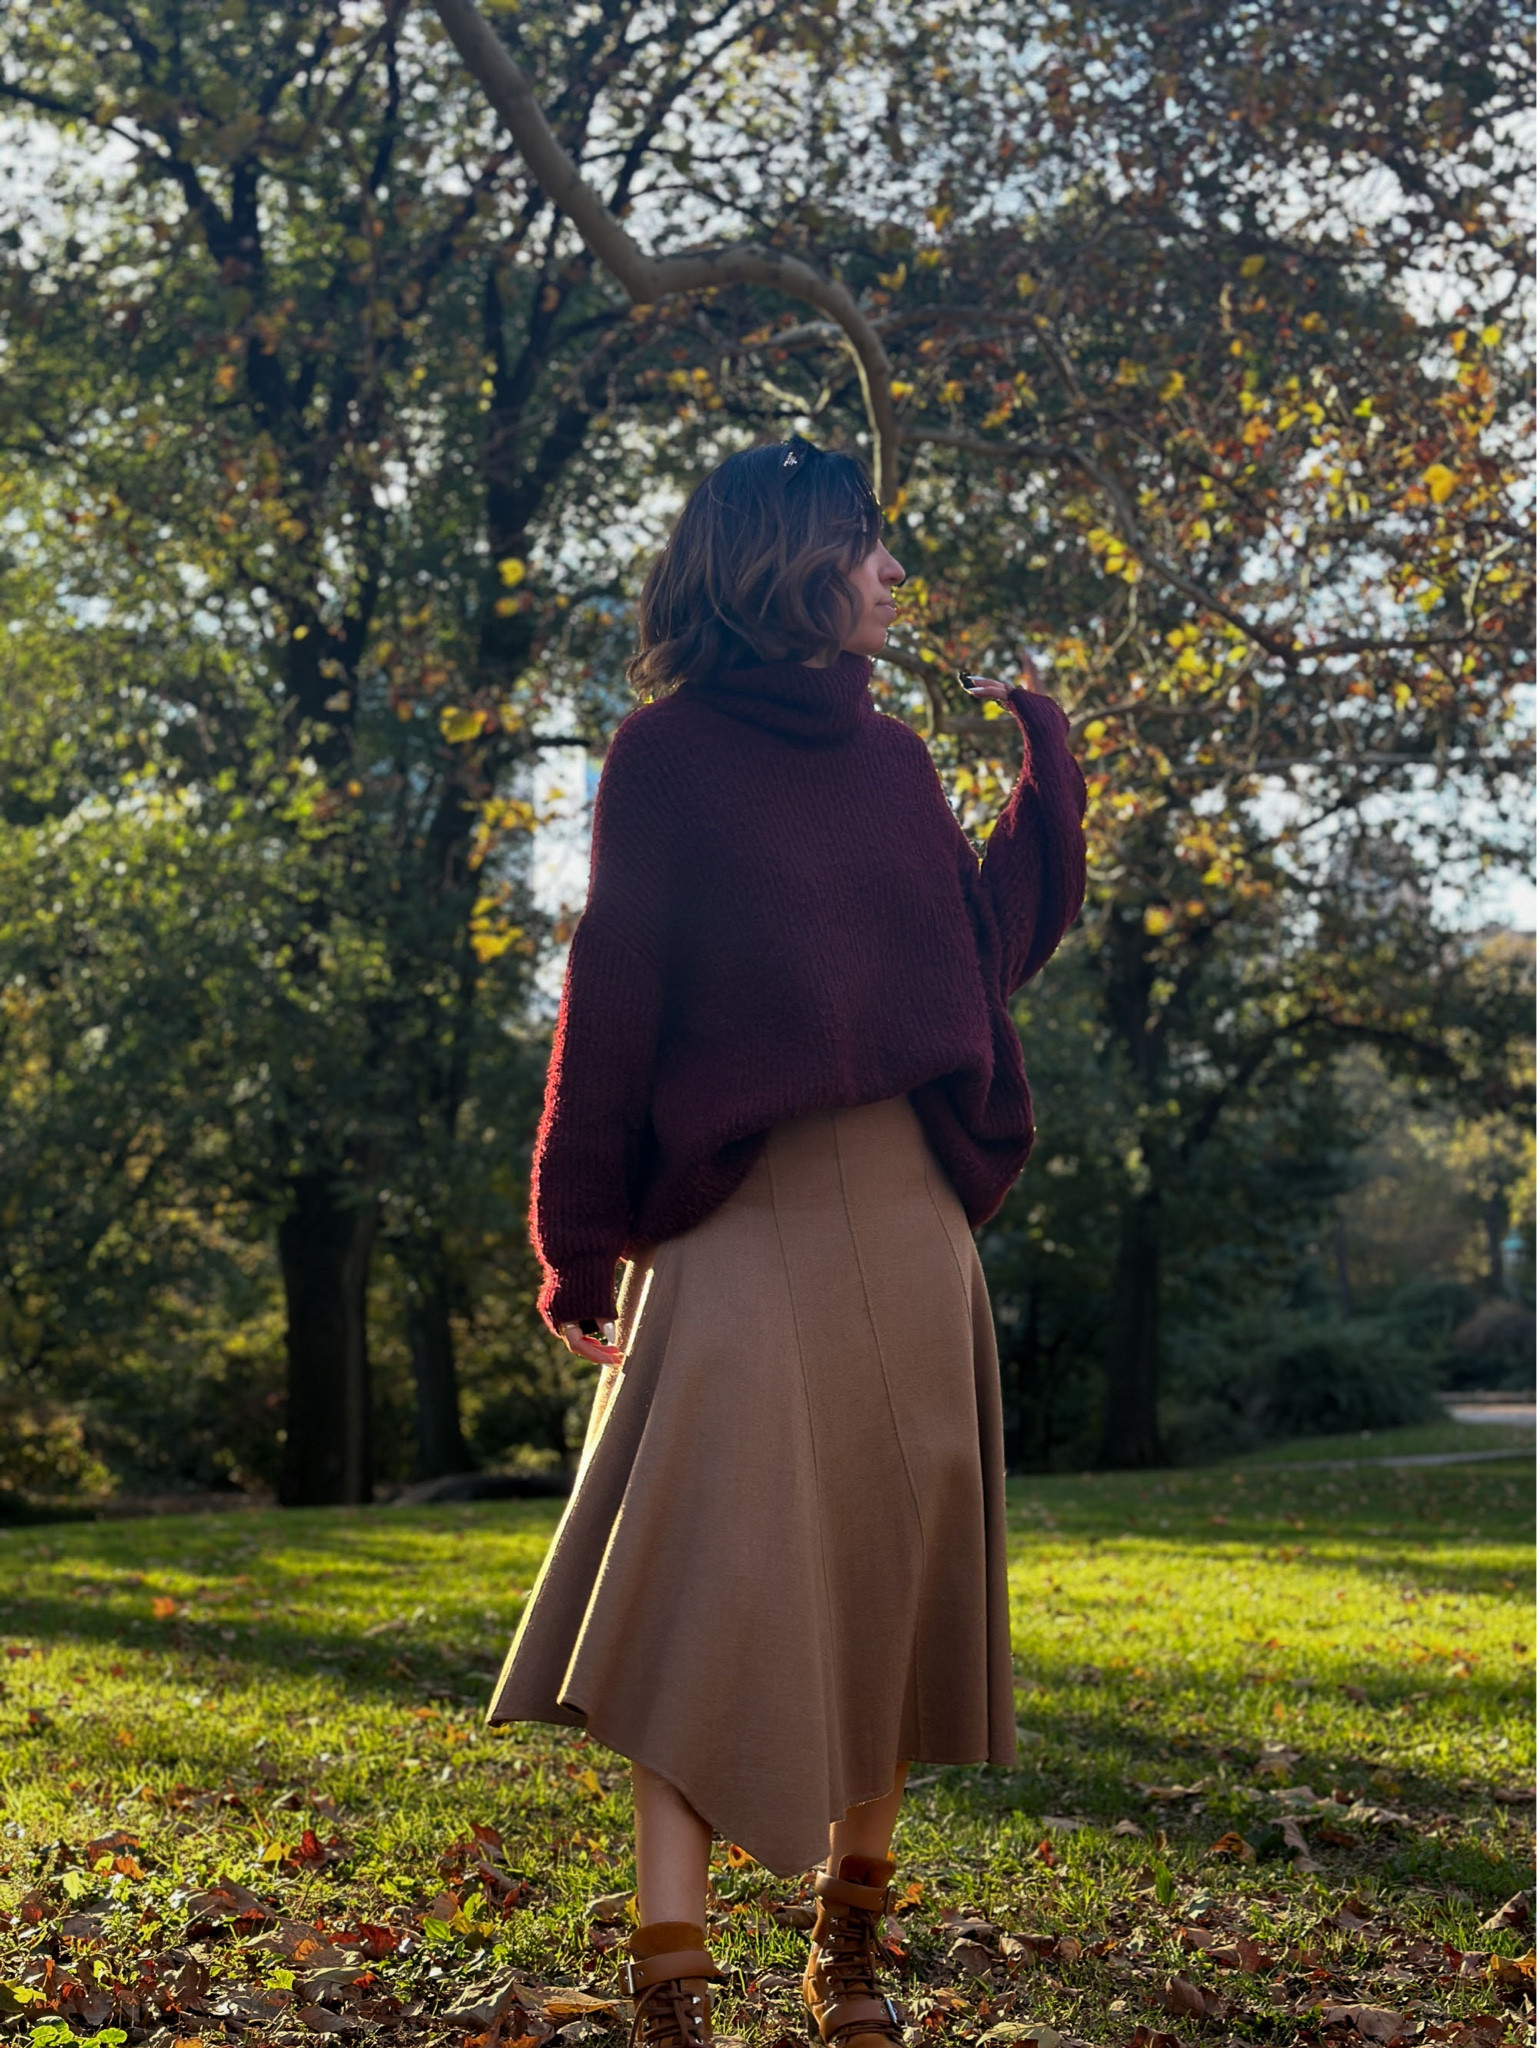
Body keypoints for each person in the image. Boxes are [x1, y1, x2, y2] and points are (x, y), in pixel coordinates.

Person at [486, 436, 1087, 2048]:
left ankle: (850, 1950)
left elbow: (974, 960)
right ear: (791, 563)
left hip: (905, 1215)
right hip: (731, 1223)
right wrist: (577, 1237)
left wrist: (1043, 774)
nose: (893, 573)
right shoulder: (665, 758)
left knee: (890, 1582)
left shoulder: (893, 762)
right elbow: (613, 989)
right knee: (707, 1575)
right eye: (868, 546)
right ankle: (671, 1975)